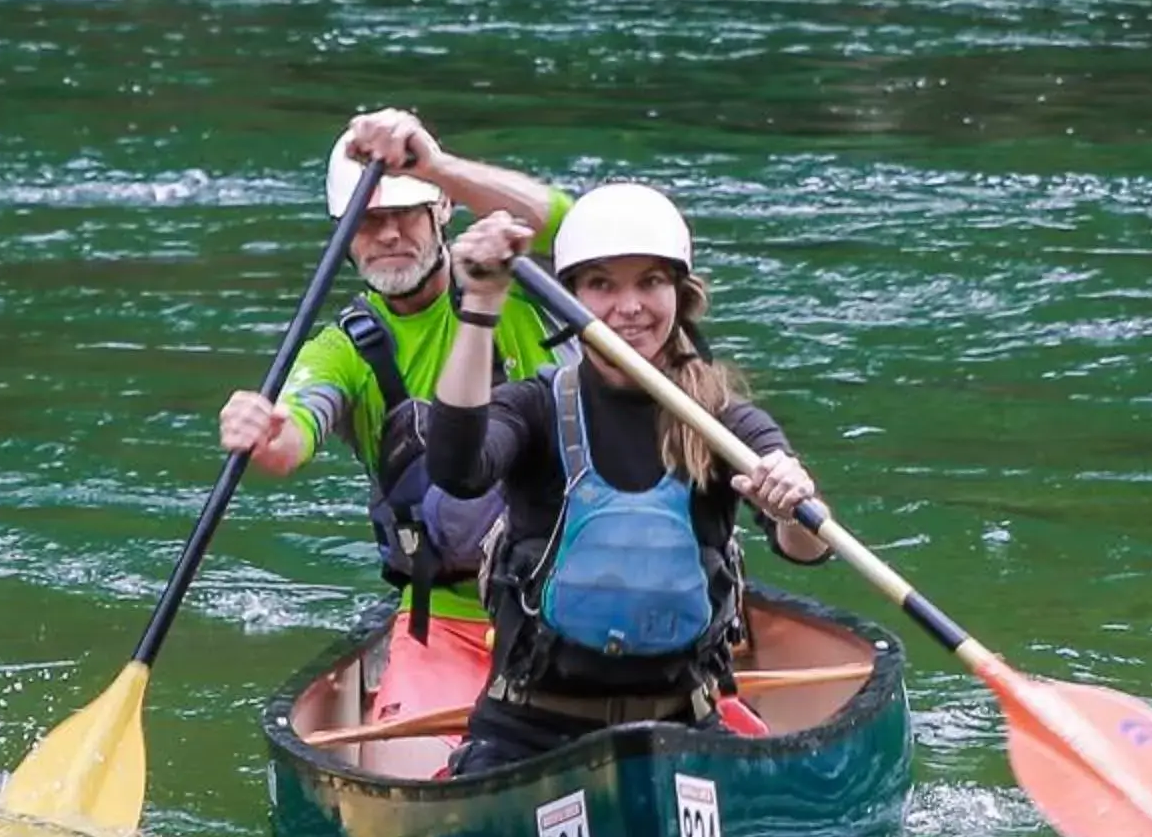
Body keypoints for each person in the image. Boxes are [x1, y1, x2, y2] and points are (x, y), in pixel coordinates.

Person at [425, 182, 829, 776]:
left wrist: (795, 502)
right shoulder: (536, 407)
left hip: (679, 726)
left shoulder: (722, 420)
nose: (629, 306)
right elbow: (457, 472)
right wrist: (480, 305)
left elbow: (807, 549)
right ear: (571, 298)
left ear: (680, 295)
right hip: (529, 732)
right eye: (602, 285)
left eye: (650, 282)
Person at [216, 108, 568, 716]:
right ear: (343, 236)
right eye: (368, 222)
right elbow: (291, 436)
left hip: (574, 602)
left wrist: (435, 166)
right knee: (425, 766)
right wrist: (264, 434)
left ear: (442, 212)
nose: (386, 235)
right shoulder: (340, 351)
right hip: (446, 623)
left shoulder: (515, 279)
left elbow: (565, 220)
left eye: (405, 213)